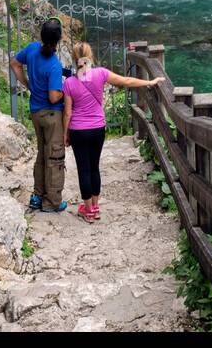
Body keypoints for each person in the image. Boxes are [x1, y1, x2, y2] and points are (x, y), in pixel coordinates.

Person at [63, 42, 164, 222]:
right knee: (94, 168)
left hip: (78, 130)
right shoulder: (101, 73)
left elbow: (68, 112)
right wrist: (150, 82)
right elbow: (126, 81)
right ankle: (95, 207)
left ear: (74, 59)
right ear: (90, 56)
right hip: (97, 129)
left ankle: (87, 211)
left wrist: (66, 134)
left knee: (83, 170)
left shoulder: (69, 83)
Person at [10, 19, 67, 213]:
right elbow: (53, 97)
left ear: (42, 36)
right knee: (55, 156)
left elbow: (14, 64)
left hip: (35, 111)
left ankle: (37, 195)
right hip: (52, 114)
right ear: (57, 40)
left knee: (42, 153)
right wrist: (65, 90)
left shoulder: (32, 49)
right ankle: (52, 201)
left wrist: (27, 84)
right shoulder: (54, 65)